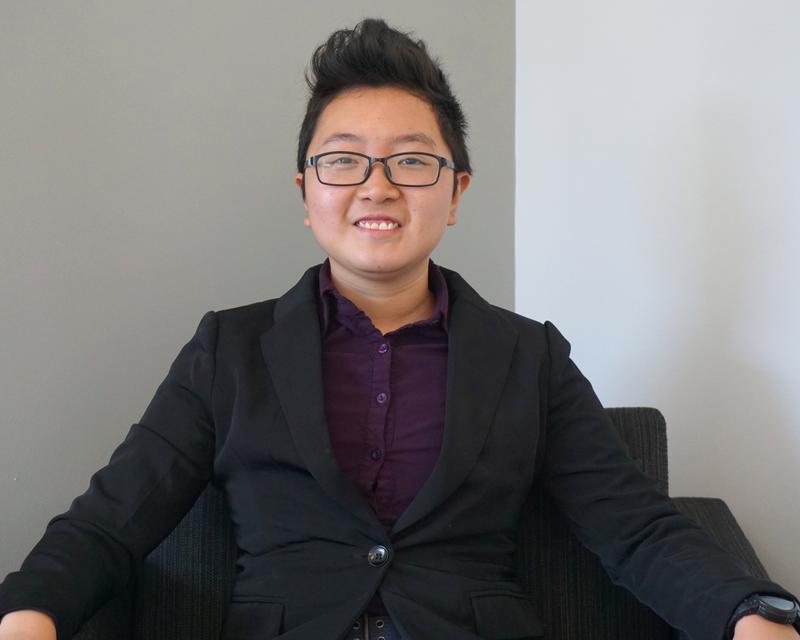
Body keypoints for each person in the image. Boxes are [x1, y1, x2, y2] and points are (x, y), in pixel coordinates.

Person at [0, 18, 797, 640]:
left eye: (412, 161)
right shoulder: (229, 352)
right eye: (343, 160)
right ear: (306, 191)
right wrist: (29, 616)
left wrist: (748, 614)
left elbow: (637, 528)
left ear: (456, 193)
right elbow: (108, 525)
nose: (377, 187)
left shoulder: (529, 358)